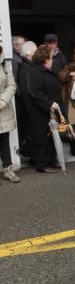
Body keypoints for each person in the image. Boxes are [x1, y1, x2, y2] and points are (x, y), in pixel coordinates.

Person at [27, 45, 62, 173]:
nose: (52, 59)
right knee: (42, 137)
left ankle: (51, 160)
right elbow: (34, 91)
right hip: (40, 110)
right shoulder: (35, 71)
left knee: (52, 134)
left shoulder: (46, 70)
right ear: (45, 58)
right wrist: (49, 103)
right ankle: (42, 164)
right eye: (51, 56)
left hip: (50, 109)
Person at [0, 45, 20, 183]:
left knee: (4, 140)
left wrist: (3, 100)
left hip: (3, 107)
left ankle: (8, 169)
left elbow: (11, 84)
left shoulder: (4, 62)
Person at [17, 41, 37, 160]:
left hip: (30, 108)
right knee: (31, 133)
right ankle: (32, 156)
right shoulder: (26, 68)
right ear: (29, 54)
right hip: (30, 109)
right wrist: (31, 111)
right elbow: (26, 92)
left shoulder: (26, 66)